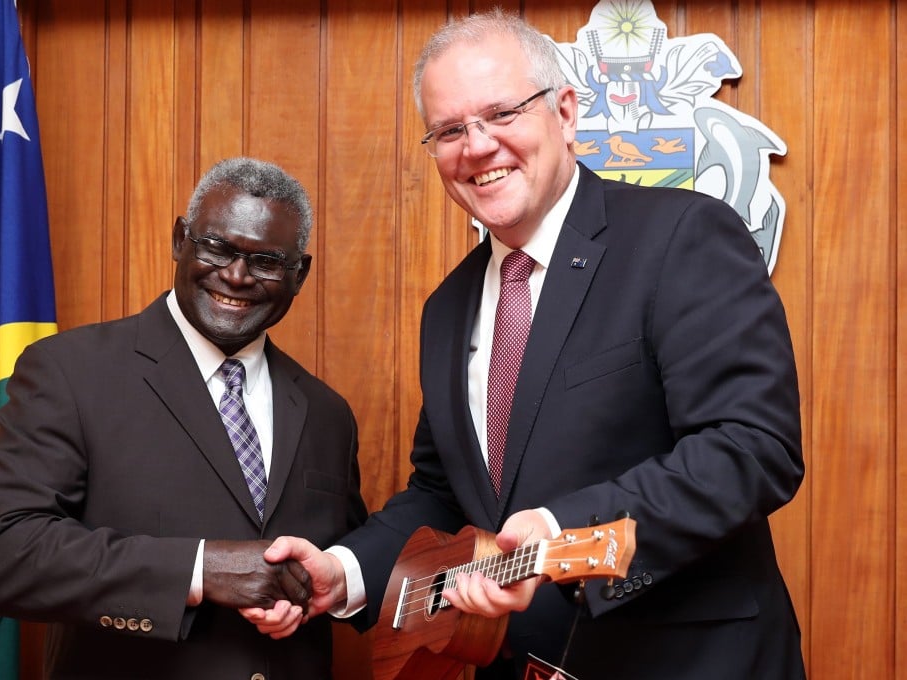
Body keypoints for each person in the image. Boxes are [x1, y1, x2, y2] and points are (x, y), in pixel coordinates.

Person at [259, 9, 806, 680]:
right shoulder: (448, 308)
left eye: (501, 114)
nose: (478, 146)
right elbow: (443, 495)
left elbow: (750, 450)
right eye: (450, 130)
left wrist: (560, 530)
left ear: (567, 112)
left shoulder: (681, 238)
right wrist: (341, 573)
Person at [0, 156, 368, 679]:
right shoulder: (70, 372)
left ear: (299, 273)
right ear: (180, 241)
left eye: (265, 261)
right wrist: (198, 570)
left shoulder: (328, 413)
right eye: (217, 247)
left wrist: (308, 592)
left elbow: (342, 563)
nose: (236, 277)